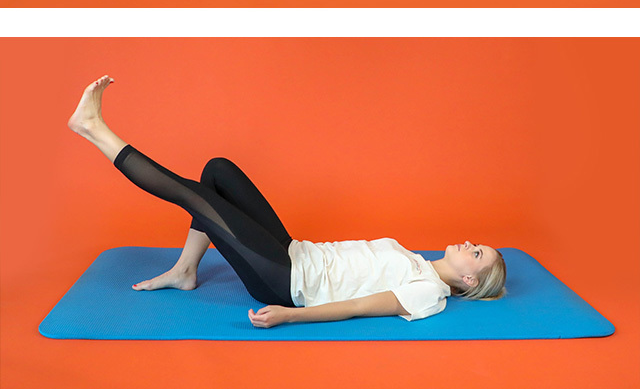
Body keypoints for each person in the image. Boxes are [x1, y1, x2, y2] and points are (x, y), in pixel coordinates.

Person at [68, 75, 507, 328]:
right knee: (219, 170)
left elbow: (358, 308)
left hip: (287, 282)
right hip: (295, 253)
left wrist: (290, 317)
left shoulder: (429, 292)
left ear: (469, 281)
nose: (470, 244)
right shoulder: (416, 260)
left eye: (477, 253)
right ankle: (186, 271)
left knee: (195, 196)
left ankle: (94, 129)